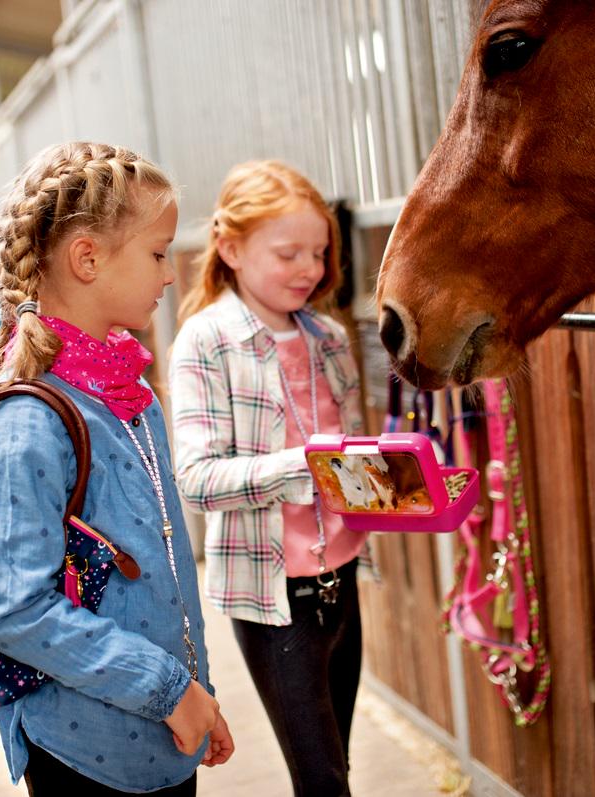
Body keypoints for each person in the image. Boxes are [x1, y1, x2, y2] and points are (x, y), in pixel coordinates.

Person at [0, 141, 233, 796]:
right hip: (86, 754)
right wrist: (169, 689)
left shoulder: (125, 393)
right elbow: (11, 607)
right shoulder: (26, 423)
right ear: (87, 258)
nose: (170, 274)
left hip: (159, 732)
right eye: (156, 253)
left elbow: (159, 565)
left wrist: (196, 694)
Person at [169, 160, 372, 797]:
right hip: (271, 593)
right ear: (229, 248)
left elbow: (355, 460)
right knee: (321, 779)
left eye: (318, 251)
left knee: (337, 761)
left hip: (344, 579)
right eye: (288, 253)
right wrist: (303, 467)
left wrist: (403, 485)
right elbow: (197, 480)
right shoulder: (204, 341)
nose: (310, 268)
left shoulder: (330, 337)